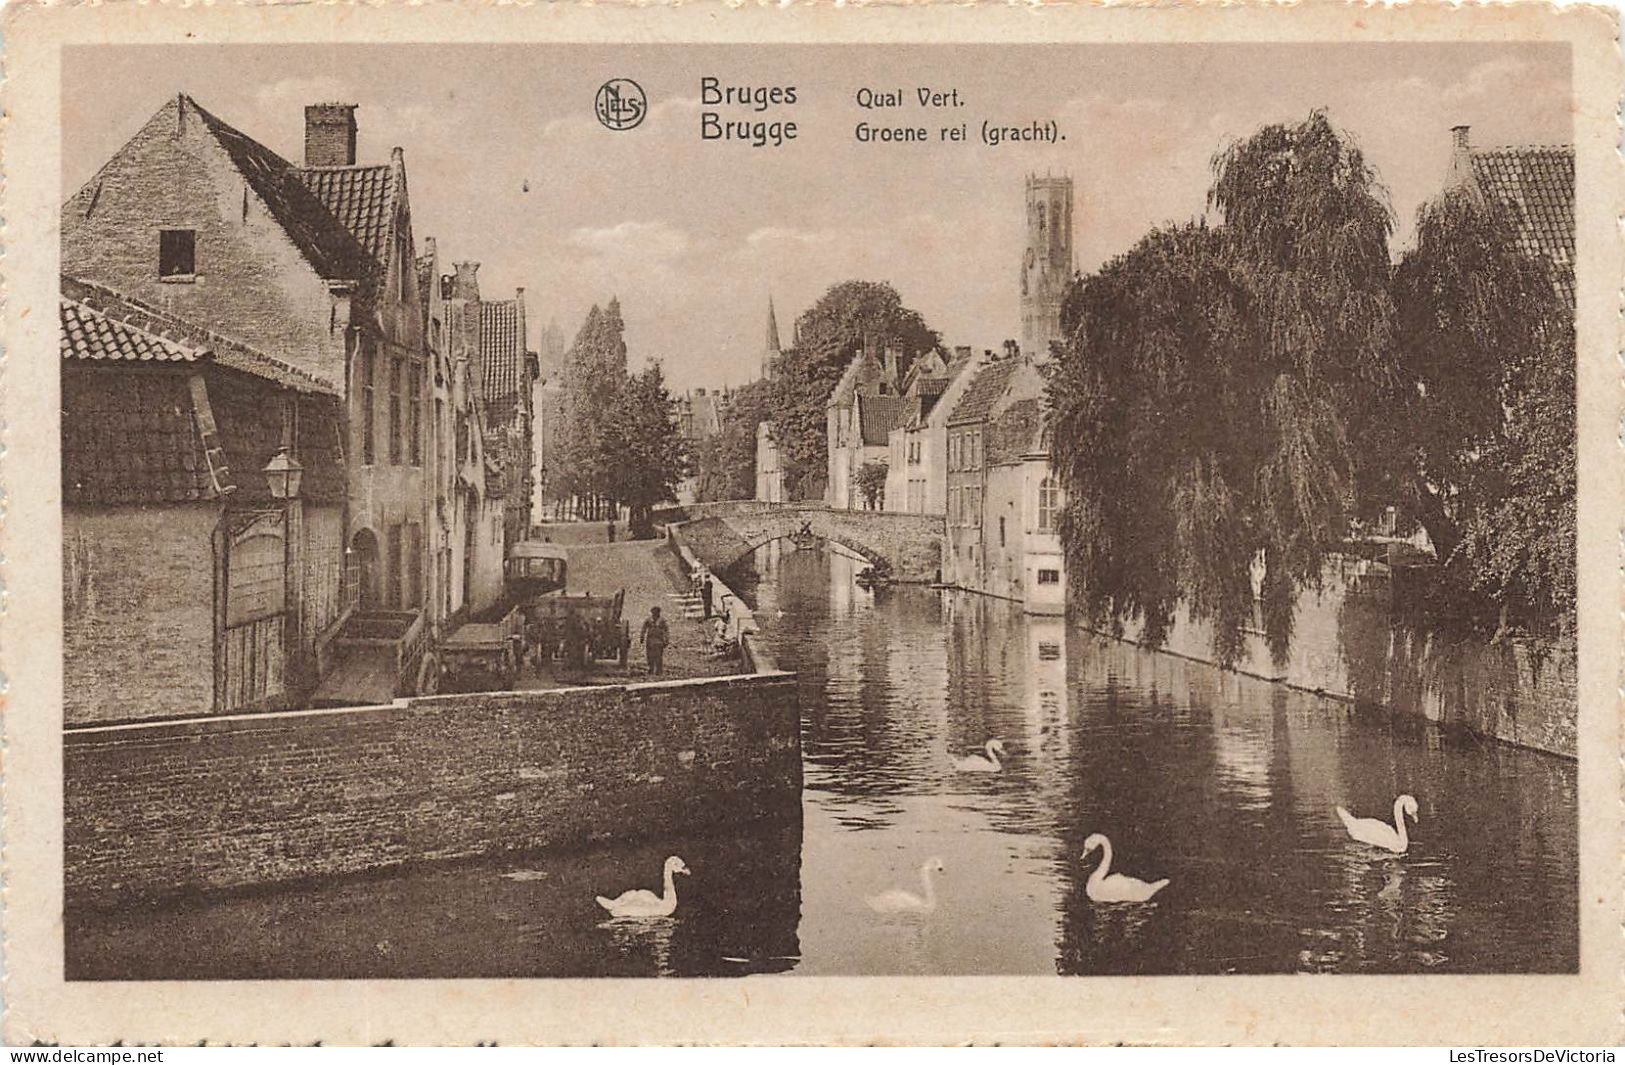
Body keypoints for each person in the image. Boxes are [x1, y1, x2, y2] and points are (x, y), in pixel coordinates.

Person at [641, 606, 670, 675]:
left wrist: (666, 640)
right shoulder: (648, 620)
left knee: (658, 656)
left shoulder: (662, 620)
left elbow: (666, 630)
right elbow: (644, 628)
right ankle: (651, 669)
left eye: (656, 612)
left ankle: (659, 670)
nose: (655, 614)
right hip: (650, 640)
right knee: (650, 655)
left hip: (659, 640)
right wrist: (642, 637)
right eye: (653, 613)